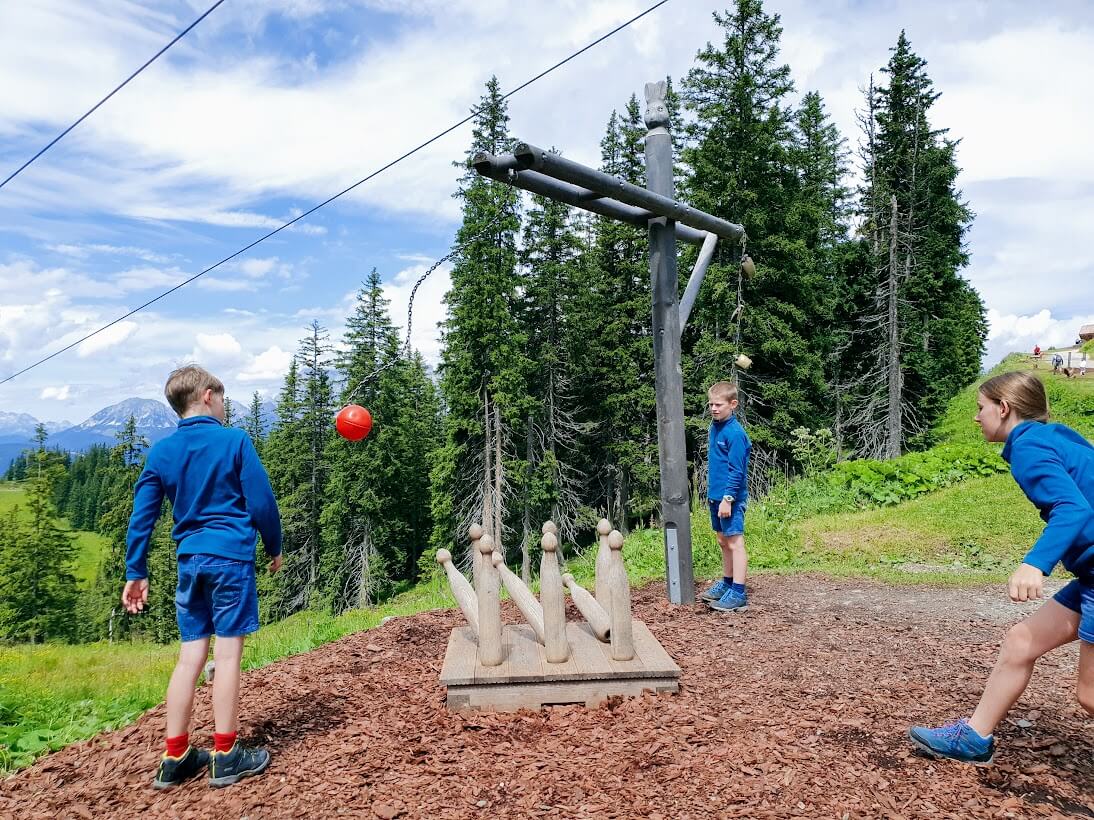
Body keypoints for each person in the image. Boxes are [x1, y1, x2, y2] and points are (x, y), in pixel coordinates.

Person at [908, 371, 1093, 764]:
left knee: (1090, 696)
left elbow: (1074, 507)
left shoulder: (1029, 447)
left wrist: (1035, 564)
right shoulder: (1052, 435)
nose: (976, 417)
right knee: (1020, 641)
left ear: (1004, 408)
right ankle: (975, 738)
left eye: (981, 408)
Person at [124, 365, 283, 789]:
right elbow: (262, 501)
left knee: (189, 658)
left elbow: (143, 516)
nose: (226, 407)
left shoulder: (162, 452)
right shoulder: (234, 441)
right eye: (224, 399)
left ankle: (175, 757)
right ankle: (227, 754)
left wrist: (135, 570)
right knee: (228, 656)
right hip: (230, 560)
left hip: (189, 563)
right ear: (209, 395)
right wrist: (274, 545)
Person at [699, 380, 752, 612]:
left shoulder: (735, 433)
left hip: (730, 499)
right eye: (711, 404)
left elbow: (737, 470)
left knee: (734, 542)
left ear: (733, 404)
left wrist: (728, 499)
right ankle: (727, 583)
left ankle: (738, 592)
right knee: (722, 541)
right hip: (716, 496)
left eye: (718, 405)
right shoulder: (715, 427)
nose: (713, 409)